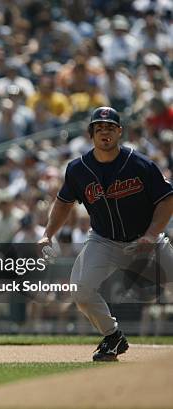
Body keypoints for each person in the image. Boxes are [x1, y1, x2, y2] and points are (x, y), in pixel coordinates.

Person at [39, 107, 173, 362]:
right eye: (99, 128)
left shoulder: (140, 164)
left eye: (110, 127)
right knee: (81, 291)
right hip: (104, 241)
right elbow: (64, 202)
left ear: (119, 132)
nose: (105, 133)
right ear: (91, 134)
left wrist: (151, 235)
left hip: (145, 241)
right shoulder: (78, 169)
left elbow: (167, 200)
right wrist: (48, 234)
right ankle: (113, 337)